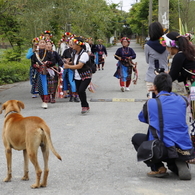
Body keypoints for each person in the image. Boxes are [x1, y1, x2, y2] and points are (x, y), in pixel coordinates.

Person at [132, 73, 194, 180]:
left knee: (137, 138)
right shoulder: (182, 100)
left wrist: (152, 97)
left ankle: (158, 167)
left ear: (154, 87)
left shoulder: (151, 103)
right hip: (184, 147)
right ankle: (177, 162)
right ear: (171, 86)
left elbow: (142, 118)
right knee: (170, 133)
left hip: (162, 149)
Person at [161, 32, 195, 161]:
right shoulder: (191, 52)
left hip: (194, 90)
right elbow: (185, 73)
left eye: (166, 46)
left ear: (171, 45)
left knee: (194, 121)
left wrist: (160, 82)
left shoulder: (179, 56)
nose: (166, 49)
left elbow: (173, 77)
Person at [64, 37, 92, 114]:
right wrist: (67, 63)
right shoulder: (74, 53)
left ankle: (84, 106)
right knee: (79, 92)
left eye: (73, 43)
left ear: (78, 45)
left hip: (85, 75)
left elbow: (79, 66)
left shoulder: (84, 54)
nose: (72, 44)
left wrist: (68, 66)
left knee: (81, 90)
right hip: (77, 75)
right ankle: (85, 105)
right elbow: (74, 62)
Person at [31, 36, 55, 109]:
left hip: (48, 72)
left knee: (47, 87)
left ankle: (46, 101)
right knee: (41, 87)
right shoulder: (35, 54)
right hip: (39, 72)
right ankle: (43, 100)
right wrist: (36, 65)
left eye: (43, 42)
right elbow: (32, 64)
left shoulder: (49, 53)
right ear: (38, 44)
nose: (42, 44)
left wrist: (48, 62)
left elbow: (54, 62)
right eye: (40, 42)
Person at [144, 22, 169, 93]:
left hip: (151, 76)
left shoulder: (147, 45)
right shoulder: (166, 43)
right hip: (165, 77)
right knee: (164, 100)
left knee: (152, 101)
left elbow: (147, 61)